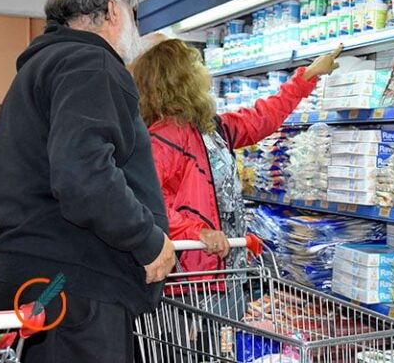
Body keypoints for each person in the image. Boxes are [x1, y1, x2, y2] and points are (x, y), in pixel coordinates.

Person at [0, 0, 175, 363]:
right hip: (73, 286)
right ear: (111, 9)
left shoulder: (37, 71)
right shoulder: (92, 65)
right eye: (130, 5)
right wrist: (148, 241)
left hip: (33, 282)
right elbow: (83, 176)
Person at [132, 40, 340, 323]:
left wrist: (307, 77)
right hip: (192, 277)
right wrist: (197, 232)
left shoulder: (210, 127)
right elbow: (146, 203)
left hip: (225, 270)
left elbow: (260, 119)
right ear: (180, 78)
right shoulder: (164, 138)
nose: (204, 72)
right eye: (196, 65)